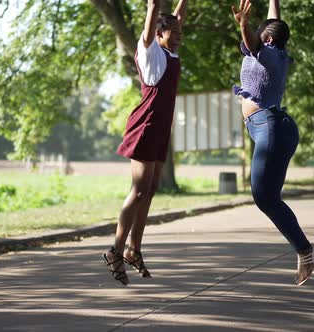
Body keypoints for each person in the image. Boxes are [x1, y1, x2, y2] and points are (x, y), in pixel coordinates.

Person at [231, 0, 314, 286]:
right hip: (276, 130)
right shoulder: (277, 52)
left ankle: (305, 250)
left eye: (260, 34)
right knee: (270, 198)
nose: (254, 38)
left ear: (267, 40)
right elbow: (273, 24)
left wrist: (244, 25)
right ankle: (305, 251)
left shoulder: (267, 54)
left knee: (264, 197)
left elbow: (255, 40)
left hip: (269, 128)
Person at [102, 0, 188, 286]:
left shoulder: (171, 53)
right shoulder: (151, 52)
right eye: (173, 33)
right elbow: (154, 21)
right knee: (139, 191)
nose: (178, 36)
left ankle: (133, 249)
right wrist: (153, 7)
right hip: (145, 127)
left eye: (179, 33)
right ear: (159, 34)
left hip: (160, 129)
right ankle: (115, 251)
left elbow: (178, 17)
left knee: (150, 190)